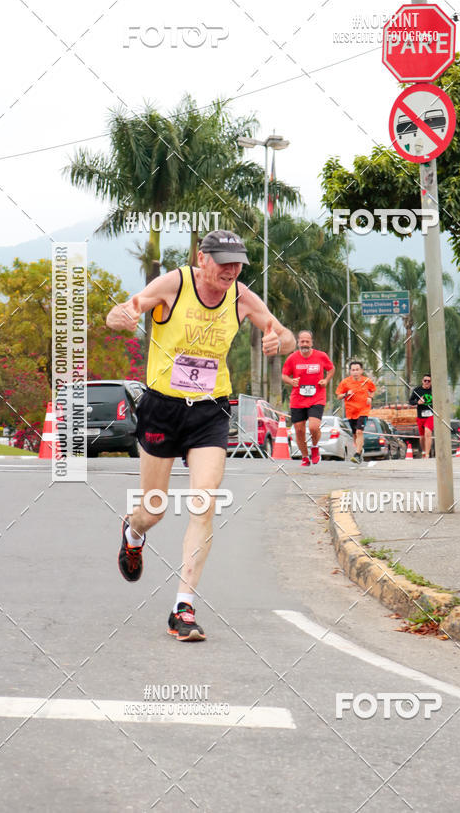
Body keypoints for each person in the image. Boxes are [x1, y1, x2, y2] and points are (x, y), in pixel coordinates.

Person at [106, 230, 295, 642]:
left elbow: (286, 334)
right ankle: (133, 533)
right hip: (162, 407)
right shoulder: (174, 284)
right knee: (153, 509)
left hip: (210, 411)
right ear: (202, 258)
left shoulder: (242, 296)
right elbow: (128, 309)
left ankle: (183, 607)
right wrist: (120, 315)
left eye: (238, 263)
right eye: (224, 261)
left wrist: (277, 338)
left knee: (203, 502)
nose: (232, 270)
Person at [281, 330, 334, 466]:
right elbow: (284, 375)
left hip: (317, 397)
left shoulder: (321, 356)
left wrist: (326, 380)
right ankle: (305, 456)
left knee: (313, 427)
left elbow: (331, 369)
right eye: (302, 341)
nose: (304, 344)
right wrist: (291, 381)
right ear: (298, 342)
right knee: (299, 429)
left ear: (311, 343)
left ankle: (315, 447)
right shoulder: (292, 358)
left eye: (307, 341)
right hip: (298, 399)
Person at [336, 361, 376, 464]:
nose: (355, 372)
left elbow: (373, 390)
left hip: (363, 410)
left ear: (361, 371)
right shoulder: (345, 382)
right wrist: (346, 394)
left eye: (357, 370)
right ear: (350, 371)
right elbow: (338, 396)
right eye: (353, 370)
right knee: (354, 434)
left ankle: (357, 454)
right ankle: (360, 449)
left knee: (359, 431)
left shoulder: (367, 381)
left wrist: (370, 398)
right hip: (351, 412)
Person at [409, 374, 433, 458]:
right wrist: (417, 402)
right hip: (420, 415)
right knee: (422, 437)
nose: (427, 382)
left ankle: (427, 454)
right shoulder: (417, 390)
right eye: (425, 380)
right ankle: (423, 451)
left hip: (430, 415)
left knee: (428, 432)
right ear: (422, 381)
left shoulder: (434, 390)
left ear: (431, 382)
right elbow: (411, 401)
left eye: (428, 381)